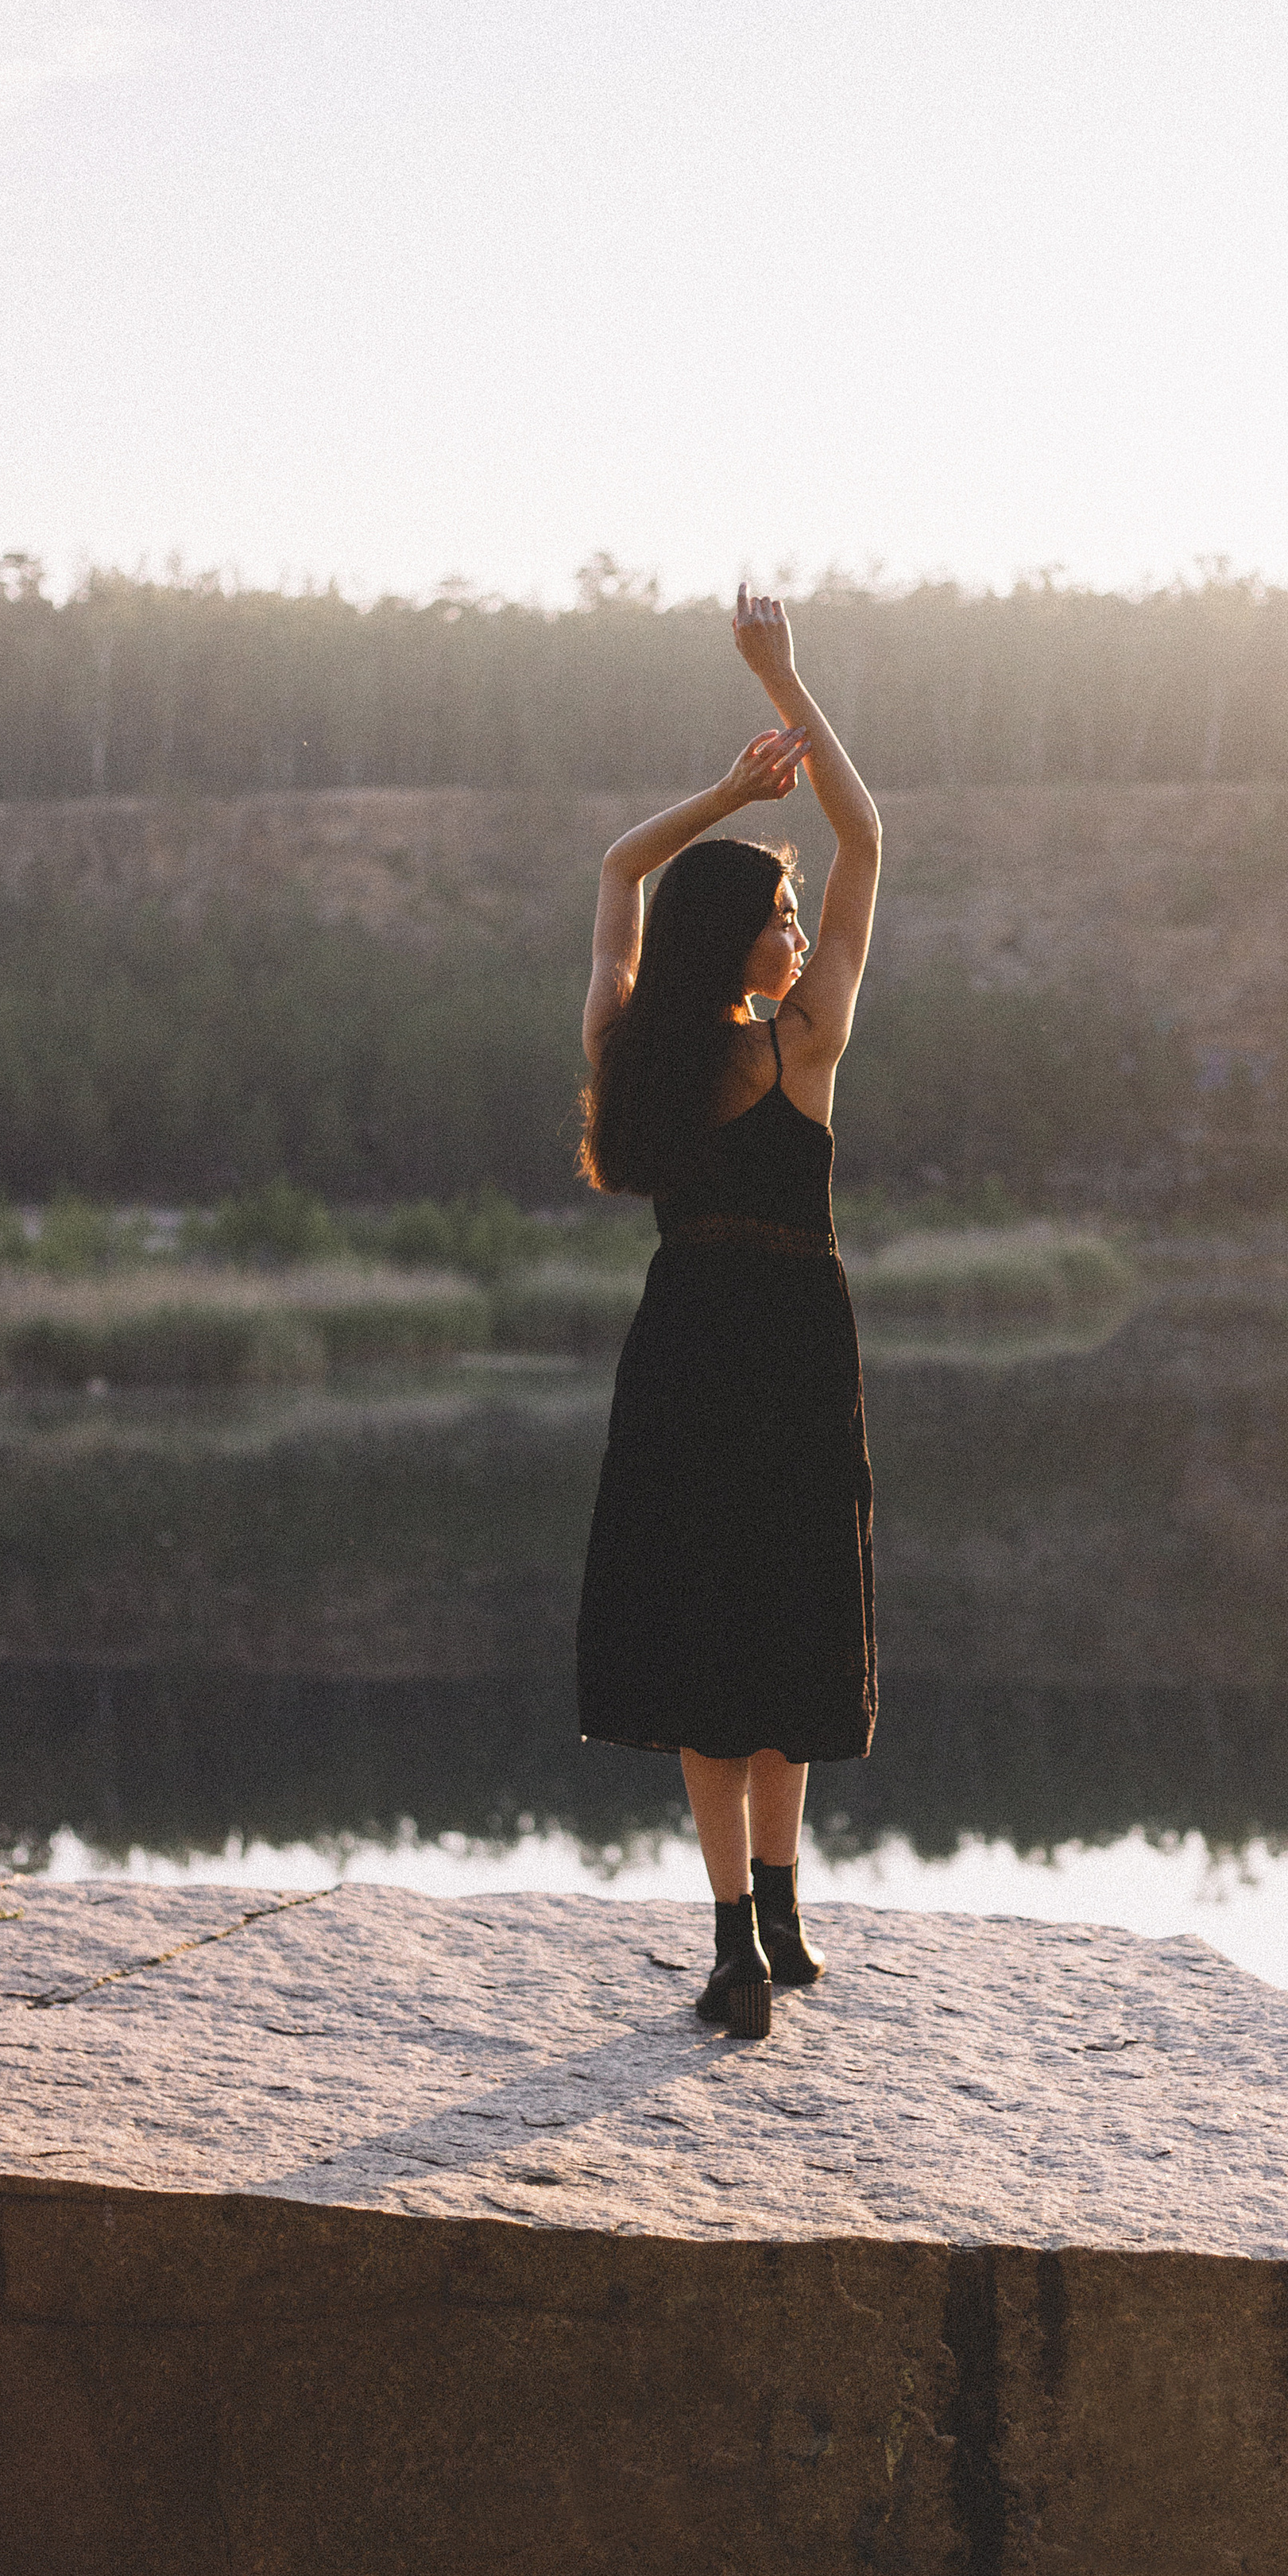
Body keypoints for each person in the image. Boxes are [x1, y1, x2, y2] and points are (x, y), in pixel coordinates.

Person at [575, 585, 880, 2039]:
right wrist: (782, 694)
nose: (802, 920)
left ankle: (755, 1930)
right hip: (780, 1349)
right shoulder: (798, 1048)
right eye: (782, 911)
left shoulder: (643, 1049)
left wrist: (736, 774)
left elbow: (625, 874)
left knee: (735, 1641)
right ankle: (750, 1936)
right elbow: (862, 837)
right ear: (744, 941)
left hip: (699, 1350)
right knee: (760, 1638)